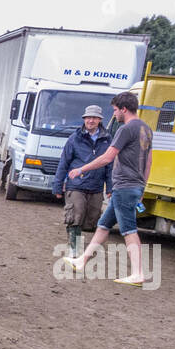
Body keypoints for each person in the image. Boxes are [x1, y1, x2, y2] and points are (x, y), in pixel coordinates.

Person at [64, 92, 153, 286]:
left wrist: (81, 169)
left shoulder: (125, 129)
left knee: (129, 230)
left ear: (123, 109)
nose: (114, 114)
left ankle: (138, 273)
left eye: (115, 110)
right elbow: (149, 161)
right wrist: (142, 186)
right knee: (103, 225)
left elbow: (107, 157)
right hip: (134, 185)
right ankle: (82, 260)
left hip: (124, 186)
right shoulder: (146, 129)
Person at [52, 105, 112, 256]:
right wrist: (58, 186)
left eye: (94, 118)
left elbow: (110, 165)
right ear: (84, 119)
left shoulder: (107, 139)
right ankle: (74, 249)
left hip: (97, 186)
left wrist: (110, 187)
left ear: (100, 120)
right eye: (88, 118)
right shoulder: (75, 138)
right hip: (76, 185)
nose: (90, 121)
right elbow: (63, 162)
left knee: (91, 220)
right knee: (75, 215)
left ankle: (82, 247)